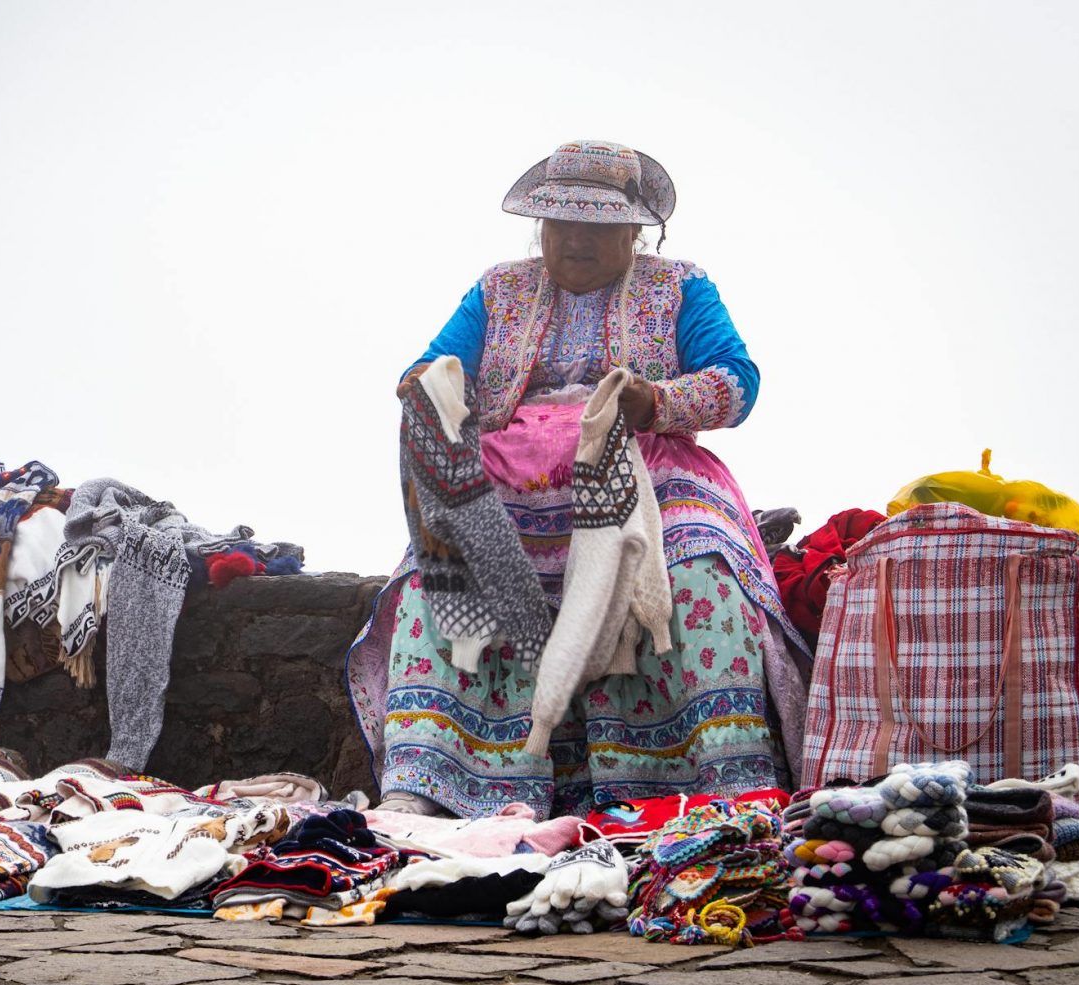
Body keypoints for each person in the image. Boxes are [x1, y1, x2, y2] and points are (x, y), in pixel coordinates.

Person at [345, 140, 809, 821]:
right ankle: (435, 783)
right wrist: (430, 387)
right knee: (433, 576)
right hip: (509, 478)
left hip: (648, 465)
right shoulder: (499, 289)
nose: (574, 240)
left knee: (699, 565)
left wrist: (654, 401)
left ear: (635, 231)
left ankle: (717, 781)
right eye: (560, 224)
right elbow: (436, 363)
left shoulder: (680, 285)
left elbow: (736, 381)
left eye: (595, 227)